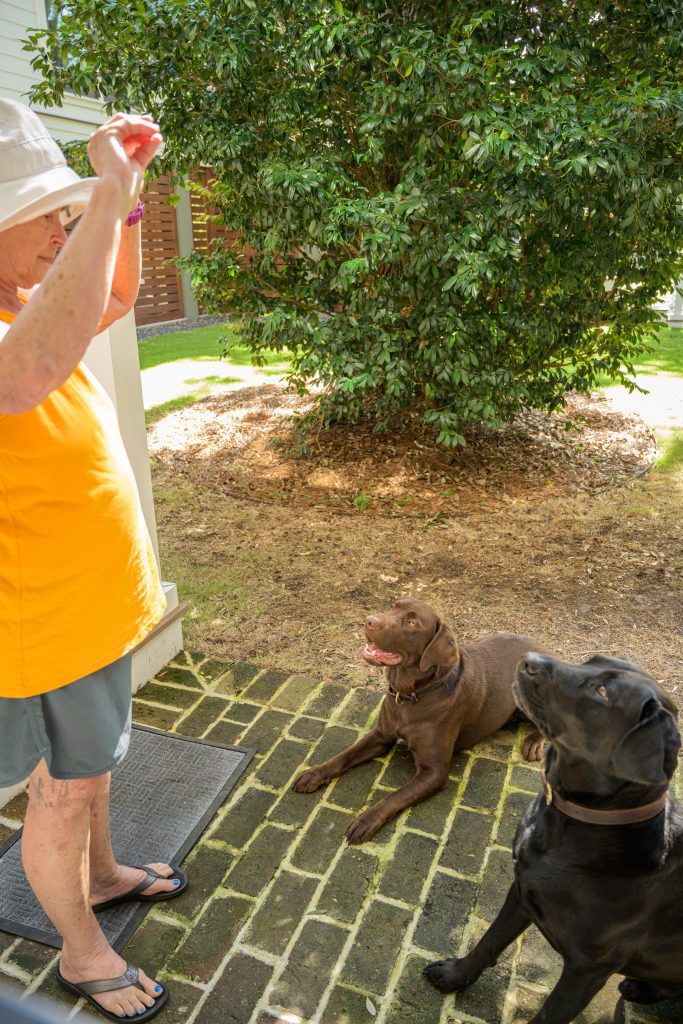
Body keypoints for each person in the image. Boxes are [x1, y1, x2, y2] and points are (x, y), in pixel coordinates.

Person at [0, 100, 189, 1021]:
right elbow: (20, 378)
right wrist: (107, 193)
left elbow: (109, 300)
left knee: (94, 765)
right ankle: (81, 955)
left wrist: (130, 201)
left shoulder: (25, 297)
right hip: (43, 622)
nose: (61, 228)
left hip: (95, 599)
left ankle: (106, 877)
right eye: (44, 213)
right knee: (61, 792)